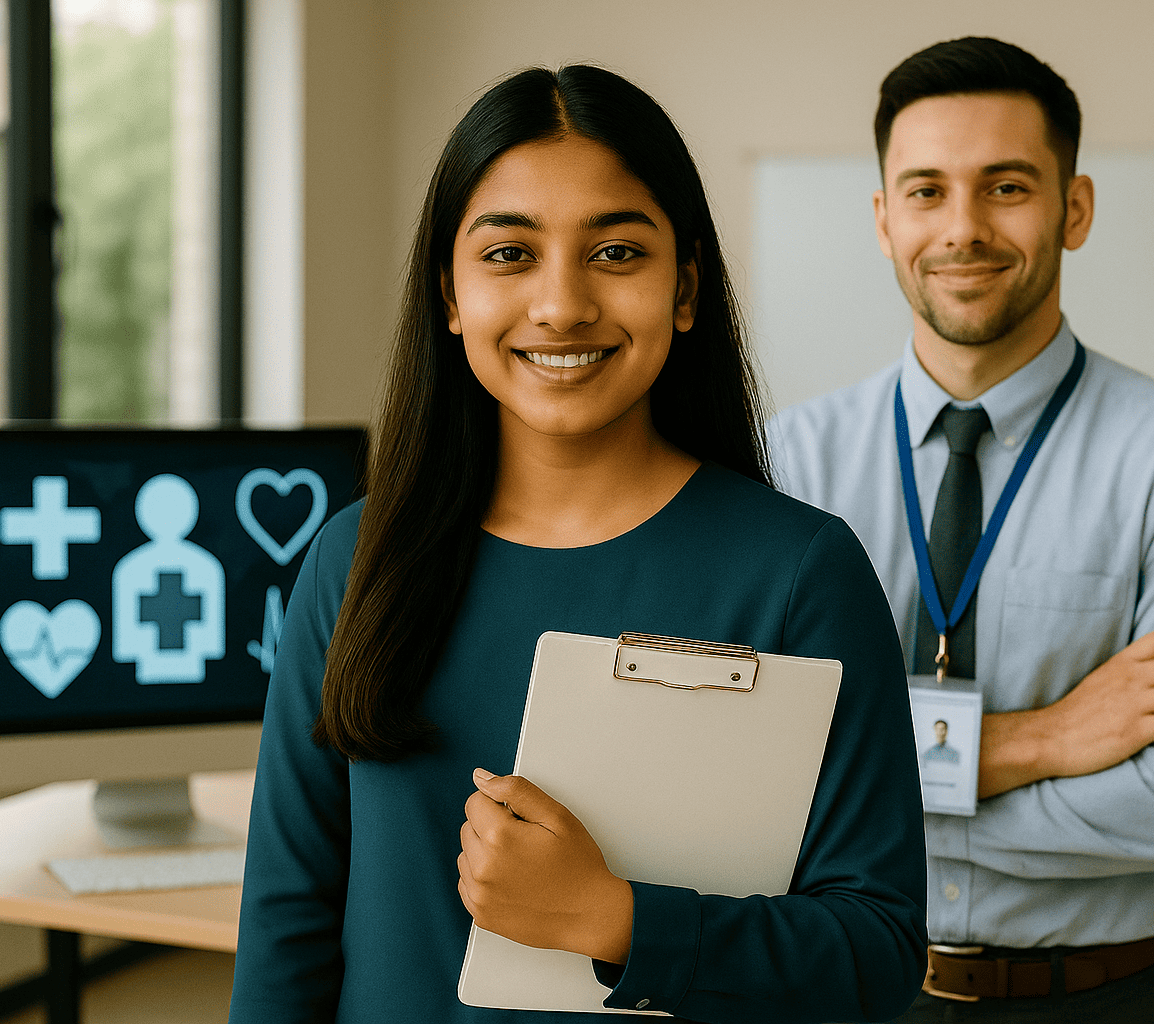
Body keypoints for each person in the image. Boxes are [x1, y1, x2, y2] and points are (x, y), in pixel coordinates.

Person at [228, 65, 927, 1024]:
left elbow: (876, 955)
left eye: (616, 252)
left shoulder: (801, 574)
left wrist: (619, 920)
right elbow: (285, 927)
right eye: (510, 254)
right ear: (450, 294)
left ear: (685, 290)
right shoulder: (355, 561)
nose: (561, 305)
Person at [766, 38, 1154, 1022]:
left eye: (1006, 187)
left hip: (1106, 996)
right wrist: (1048, 739)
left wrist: (859, 793)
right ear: (882, 219)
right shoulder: (790, 463)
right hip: (849, 992)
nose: (963, 228)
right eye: (925, 191)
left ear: (1073, 208)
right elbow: (750, 771)